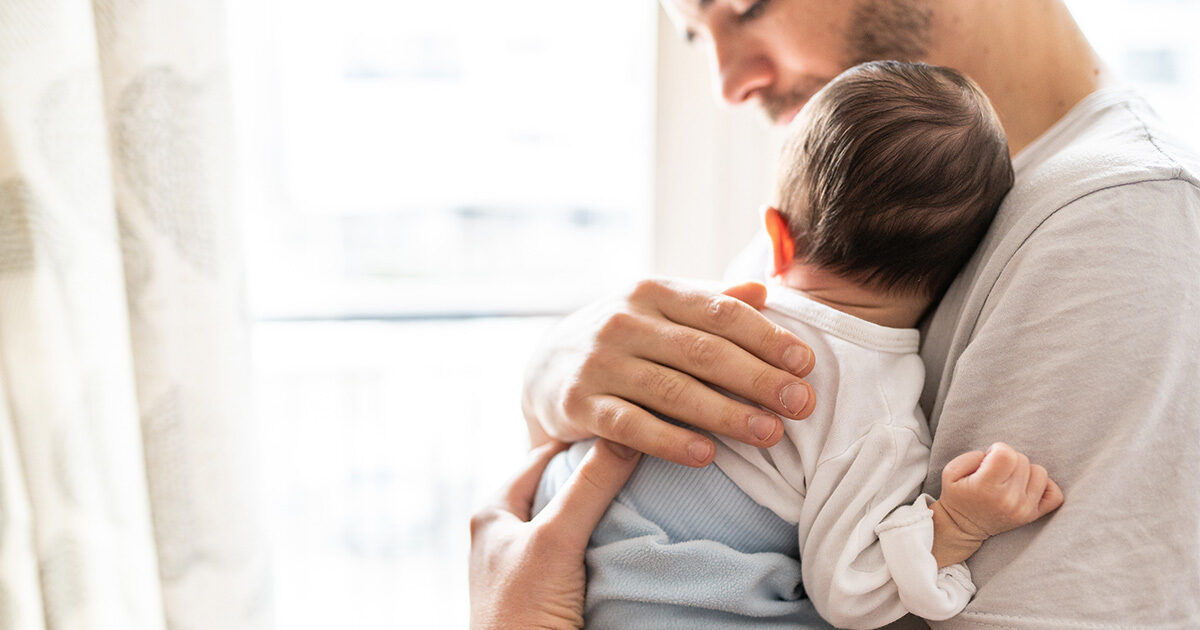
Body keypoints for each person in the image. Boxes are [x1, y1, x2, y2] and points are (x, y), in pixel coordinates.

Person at [474, 1, 1200, 627]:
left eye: (748, 6)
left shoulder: (1119, 225)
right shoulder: (868, 199)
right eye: (696, 36)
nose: (728, 84)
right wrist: (553, 374)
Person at [529, 60, 1063, 629]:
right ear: (957, 274)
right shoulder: (876, 415)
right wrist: (957, 526)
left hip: (553, 536)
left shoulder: (702, 317)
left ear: (777, 237)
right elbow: (852, 593)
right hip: (661, 603)